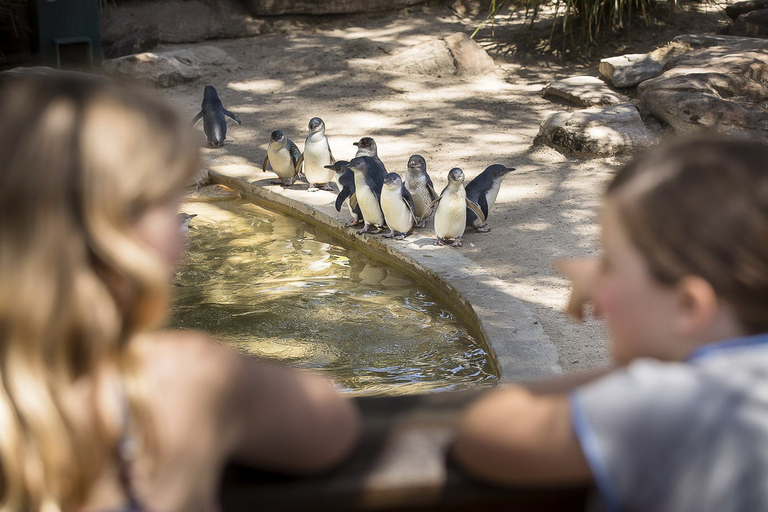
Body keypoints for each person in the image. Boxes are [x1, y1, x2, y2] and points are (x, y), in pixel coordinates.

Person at [0, 73, 359, 512]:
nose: (182, 230)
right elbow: (331, 427)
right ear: (117, 235)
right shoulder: (183, 377)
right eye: (170, 206)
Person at [453, 137, 768, 511]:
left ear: (687, 307)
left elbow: (485, 433)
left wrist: (638, 365)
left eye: (609, 265)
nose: (593, 280)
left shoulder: (670, 399)